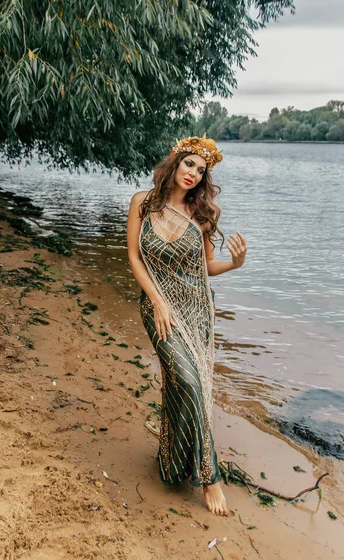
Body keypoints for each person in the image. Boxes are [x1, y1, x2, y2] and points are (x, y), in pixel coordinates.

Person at [126, 135, 247, 516]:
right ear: (175, 163)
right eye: (189, 164)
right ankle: (210, 478)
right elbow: (134, 256)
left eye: (201, 169)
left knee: (187, 384)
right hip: (158, 307)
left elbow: (206, 267)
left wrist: (235, 265)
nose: (193, 173)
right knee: (188, 380)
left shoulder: (203, 216)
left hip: (196, 310)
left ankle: (173, 464)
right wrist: (158, 302)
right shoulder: (142, 203)